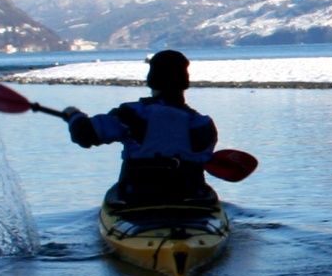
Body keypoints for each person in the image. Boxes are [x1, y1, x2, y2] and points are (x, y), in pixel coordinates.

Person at [61, 49, 219, 203]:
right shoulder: (203, 124)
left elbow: (85, 135)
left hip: (136, 197)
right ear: (184, 82)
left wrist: (74, 116)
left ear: (152, 80)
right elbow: (202, 157)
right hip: (191, 198)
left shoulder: (130, 115)